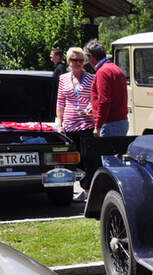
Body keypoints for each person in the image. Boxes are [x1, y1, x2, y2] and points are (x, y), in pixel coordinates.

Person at [55, 47, 94, 201]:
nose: (77, 63)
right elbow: (60, 102)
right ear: (68, 61)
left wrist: (90, 107)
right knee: (71, 160)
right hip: (69, 125)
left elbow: (95, 99)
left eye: (80, 60)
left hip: (87, 124)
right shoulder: (63, 78)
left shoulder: (91, 78)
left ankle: (87, 190)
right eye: (73, 60)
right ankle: (69, 190)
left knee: (87, 158)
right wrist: (60, 124)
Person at [83, 39, 128, 137]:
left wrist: (98, 126)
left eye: (87, 57)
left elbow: (104, 101)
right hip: (121, 121)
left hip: (110, 124)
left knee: (105, 152)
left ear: (91, 56)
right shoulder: (116, 68)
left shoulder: (103, 72)